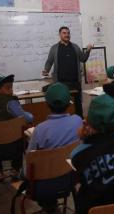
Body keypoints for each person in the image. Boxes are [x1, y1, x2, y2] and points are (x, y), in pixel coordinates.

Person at [26, 83, 82, 213]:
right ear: (69, 103)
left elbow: (30, 159)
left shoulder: (40, 130)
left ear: (46, 104)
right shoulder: (78, 121)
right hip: (71, 177)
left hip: (44, 185)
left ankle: (49, 206)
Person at [0, 74, 33, 179]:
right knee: (21, 135)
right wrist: (30, 115)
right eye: (7, 88)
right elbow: (27, 118)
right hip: (13, 148)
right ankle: (15, 170)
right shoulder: (10, 102)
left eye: (11, 87)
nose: (11, 91)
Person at [42, 26, 93, 118]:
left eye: (68, 33)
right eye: (64, 33)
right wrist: (46, 70)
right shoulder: (54, 48)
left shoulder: (75, 47)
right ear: (60, 35)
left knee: (78, 105)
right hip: (60, 83)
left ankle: (79, 122)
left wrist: (88, 50)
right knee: (61, 105)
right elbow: (49, 61)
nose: (67, 35)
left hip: (75, 83)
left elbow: (83, 59)